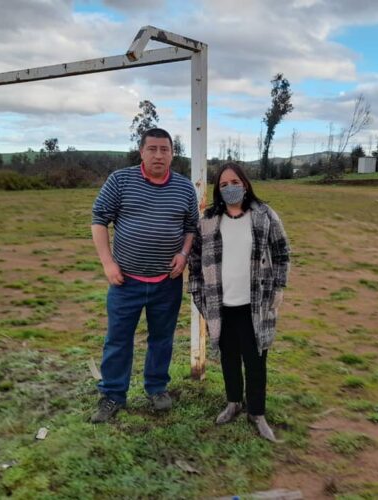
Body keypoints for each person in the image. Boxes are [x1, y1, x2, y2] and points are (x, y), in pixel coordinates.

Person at [90, 128, 198, 423]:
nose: (159, 155)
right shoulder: (120, 181)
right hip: (126, 281)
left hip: (167, 282)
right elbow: (99, 219)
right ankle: (112, 395)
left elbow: (191, 227)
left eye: (165, 149)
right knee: (118, 340)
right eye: (152, 149)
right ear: (142, 152)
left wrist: (184, 254)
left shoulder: (185, 188)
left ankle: (157, 388)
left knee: (162, 339)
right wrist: (107, 263)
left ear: (173, 153)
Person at [188, 162, 290, 442]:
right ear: (218, 190)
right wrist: (199, 296)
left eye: (235, 182)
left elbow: (282, 253)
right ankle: (233, 402)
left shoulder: (265, 216)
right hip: (221, 307)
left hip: (254, 307)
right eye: (223, 185)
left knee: (256, 360)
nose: (230, 188)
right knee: (229, 358)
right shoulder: (208, 221)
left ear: (245, 184)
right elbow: (195, 262)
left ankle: (257, 412)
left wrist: (279, 286)